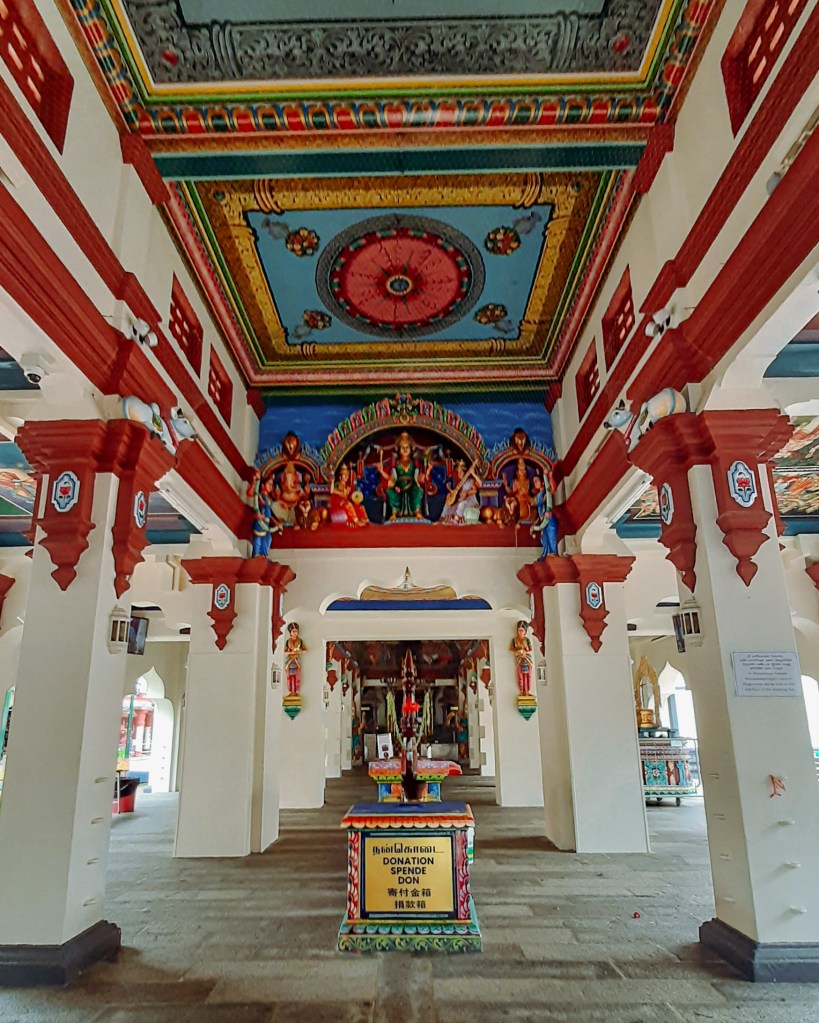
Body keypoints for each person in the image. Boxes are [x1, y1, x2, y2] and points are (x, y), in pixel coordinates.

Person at [379, 432, 425, 520]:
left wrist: (421, 478)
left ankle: (417, 511)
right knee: (390, 492)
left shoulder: (414, 463)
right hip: (398, 486)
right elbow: (391, 478)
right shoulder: (396, 464)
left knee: (418, 491)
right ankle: (394, 513)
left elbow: (417, 477)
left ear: (411, 449)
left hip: (412, 485)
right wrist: (381, 472)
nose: (405, 450)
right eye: (402, 448)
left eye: (407, 447)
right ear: (399, 449)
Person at [247, 470, 278, 557]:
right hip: (260, 520)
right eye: (269, 484)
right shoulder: (260, 495)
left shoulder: (268, 499)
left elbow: (270, 514)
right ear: (263, 485)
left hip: (267, 523)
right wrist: (255, 481)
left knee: (268, 538)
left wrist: (276, 523)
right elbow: (250, 493)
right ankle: (257, 554)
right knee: (259, 537)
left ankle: (263, 555)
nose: (271, 487)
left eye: (272, 485)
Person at [440, 458, 481, 524]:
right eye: (458, 472)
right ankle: (442, 519)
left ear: (464, 472)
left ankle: (456, 520)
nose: (459, 473)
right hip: (461, 501)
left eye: (460, 472)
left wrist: (467, 492)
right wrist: (450, 494)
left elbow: (476, 489)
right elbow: (457, 496)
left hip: (470, 501)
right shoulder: (460, 483)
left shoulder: (470, 481)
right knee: (448, 505)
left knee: (461, 505)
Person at [329, 463, 368, 527]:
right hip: (338, 502)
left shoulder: (347, 486)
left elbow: (348, 496)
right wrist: (332, 481)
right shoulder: (337, 484)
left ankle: (364, 519)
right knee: (348, 505)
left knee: (360, 507)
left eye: (347, 475)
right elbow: (331, 491)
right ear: (340, 477)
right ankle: (356, 521)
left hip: (346, 501)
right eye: (344, 475)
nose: (346, 476)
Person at [531, 467, 559, 558]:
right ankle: (546, 554)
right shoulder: (539, 495)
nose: (535, 483)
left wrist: (549, 476)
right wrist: (534, 523)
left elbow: (553, 488)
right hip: (543, 520)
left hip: (549, 518)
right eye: (534, 481)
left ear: (542, 482)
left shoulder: (546, 491)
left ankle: (553, 553)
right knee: (544, 538)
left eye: (536, 480)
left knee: (551, 536)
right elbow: (539, 508)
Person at [510, 621, 534, 695]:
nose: (520, 632)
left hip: (527, 659)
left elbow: (530, 649)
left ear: (525, 631)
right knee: (520, 676)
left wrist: (525, 651)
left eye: (522, 630)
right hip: (519, 659)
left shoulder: (527, 640)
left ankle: (528, 691)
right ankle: (521, 691)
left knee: (528, 676)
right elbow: (511, 648)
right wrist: (517, 651)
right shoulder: (514, 640)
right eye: (519, 630)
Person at [283, 622, 306, 695]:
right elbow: (285, 651)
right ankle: (290, 690)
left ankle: (296, 690)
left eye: (296, 631)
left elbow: (305, 650)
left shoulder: (300, 641)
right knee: (289, 677)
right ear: (290, 632)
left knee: (297, 676)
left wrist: (299, 651)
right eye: (293, 631)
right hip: (290, 659)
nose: (295, 633)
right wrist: (291, 652)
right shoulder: (288, 641)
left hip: (297, 659)